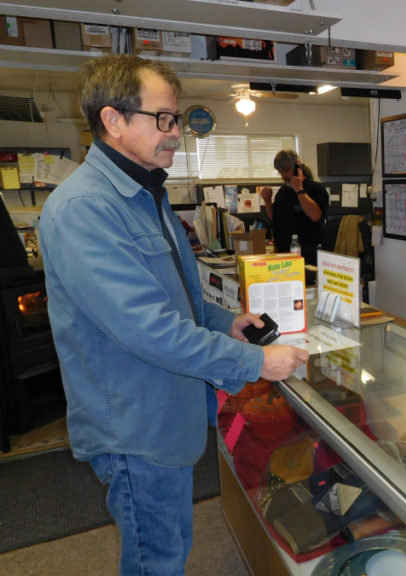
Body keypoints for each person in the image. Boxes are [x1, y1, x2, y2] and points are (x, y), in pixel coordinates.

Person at [38, 54, 308, 575]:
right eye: (162, 118)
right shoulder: (85, 209)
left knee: (171, 546)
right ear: (113, 120)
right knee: (155, 560)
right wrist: (256, 362)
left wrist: (222, 321)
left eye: (176, 119)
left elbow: (175, 298)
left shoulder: (146, 193)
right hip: (135, 426)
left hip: (167, 412)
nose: (175, 132)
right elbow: (149, 327)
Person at [259, 149, 329, 268]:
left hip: (307, 256)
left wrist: (299, 190)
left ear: (297, 166)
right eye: (280, 173)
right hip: (283, 255)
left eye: (286, 170)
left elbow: (316, 216)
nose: (284, 176)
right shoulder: (283, 191)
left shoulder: (315, 189)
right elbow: (275, 219)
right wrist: (267, 200)